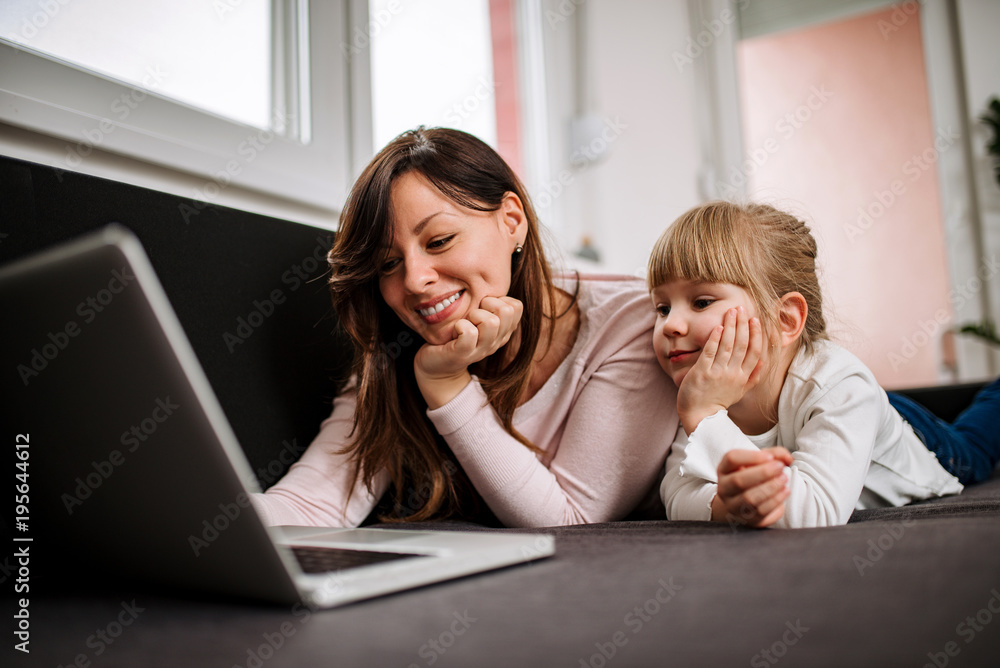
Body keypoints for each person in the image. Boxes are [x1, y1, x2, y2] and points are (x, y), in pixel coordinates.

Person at [250, 127, 678, 528]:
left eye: (439, 241)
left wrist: (446, 384)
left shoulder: (636, 325)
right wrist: (205, 520)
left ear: (511, 221)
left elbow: (572, 521)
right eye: (388, 264)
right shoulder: (395, 346)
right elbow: (311, 504)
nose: (415, 280)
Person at [649, 200, 1000, 529]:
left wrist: (706, 416)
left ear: (785, 320)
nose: (671, 325)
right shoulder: (703, 396)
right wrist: (725, 506)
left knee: (975, 445)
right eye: (662, 308)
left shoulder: (836, 385)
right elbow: (677, 495)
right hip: (851, 406)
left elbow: (813, 513)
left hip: (928, 447)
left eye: (701, 301)